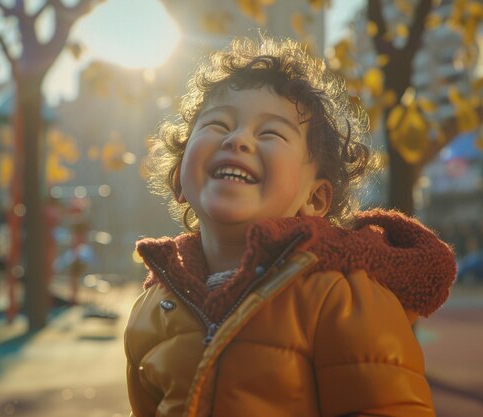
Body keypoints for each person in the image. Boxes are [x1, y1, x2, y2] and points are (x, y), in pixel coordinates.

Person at [124, 36, 456, 417]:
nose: (237, 140)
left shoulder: (342, 297)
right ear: (179, 180)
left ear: (315, 199)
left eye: (270, 133)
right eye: (217, 125)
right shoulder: (153, 309)